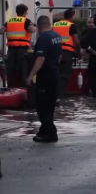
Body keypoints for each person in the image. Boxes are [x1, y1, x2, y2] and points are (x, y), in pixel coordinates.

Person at [26, 15, 63, 143]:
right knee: (50, 104)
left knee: (42, 106)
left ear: (39, 26)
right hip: (55, 74)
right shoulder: (57, 36)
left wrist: (31, 75)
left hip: (45, 76)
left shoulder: (43, 38)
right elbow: (59, 55)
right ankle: (44, 130)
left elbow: (40, 59)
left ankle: (51, 133)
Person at [0, 4, 36, 87]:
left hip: (11, 49)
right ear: (24, 12)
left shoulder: (9, 21)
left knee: (10, 70)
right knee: (23, 69)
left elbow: (1, 31)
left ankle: (10, 88)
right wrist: (35, 27)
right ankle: (24, 88)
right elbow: (31, 30)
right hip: (22, 49)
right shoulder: (26, 20)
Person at [52, 9, 81, 98]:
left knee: (55, 75)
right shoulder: (71, 26)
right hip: (66, 54)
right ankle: (61, 97)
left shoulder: (55, 24)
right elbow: (76, 42)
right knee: (64, 76)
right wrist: (78, 53)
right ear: (72, 16)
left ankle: (54, 96)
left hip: (55, 53)